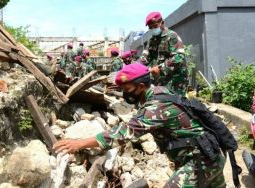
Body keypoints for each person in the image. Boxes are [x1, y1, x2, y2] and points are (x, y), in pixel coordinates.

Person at [54, 63, 226, 187]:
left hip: (200, 161)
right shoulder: (161, 92)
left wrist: (79, 143)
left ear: (141, 86)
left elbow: (123, 134)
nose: (124, 93)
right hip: (209, 154)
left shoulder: (155, 108)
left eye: (127, 89)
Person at [143, 12, 188, 96]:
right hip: (159, 79)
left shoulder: (172, 36)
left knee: (175, 104)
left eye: (155, 26)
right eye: (150, 27)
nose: (153, 29)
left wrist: (160, 68)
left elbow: (179, 56)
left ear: (162, 23)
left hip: (175, 80)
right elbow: (145, 57)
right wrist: (134, 68)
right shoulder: (151, 40)